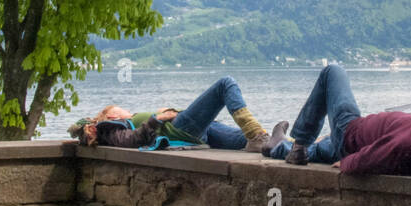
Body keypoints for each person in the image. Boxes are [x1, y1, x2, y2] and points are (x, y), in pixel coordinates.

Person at [265, 63, 411, 175]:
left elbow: (375, 157)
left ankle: (300, 143)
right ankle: (278, 146)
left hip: (350, 132)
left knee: (333, 72)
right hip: (358, 140)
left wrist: (348, 162)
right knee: (320, 151)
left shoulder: (410, 142)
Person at [68, 75, 278, 153]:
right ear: (113, 116)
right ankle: (256, 135)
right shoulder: (112, 127)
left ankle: (293, 146)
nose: (126, 110)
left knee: (252, 142)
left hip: (196, 130)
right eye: (119, 109)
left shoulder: (124, 122)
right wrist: (156, 119)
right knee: (226, 84)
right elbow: (131, 141)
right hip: (181, 128)